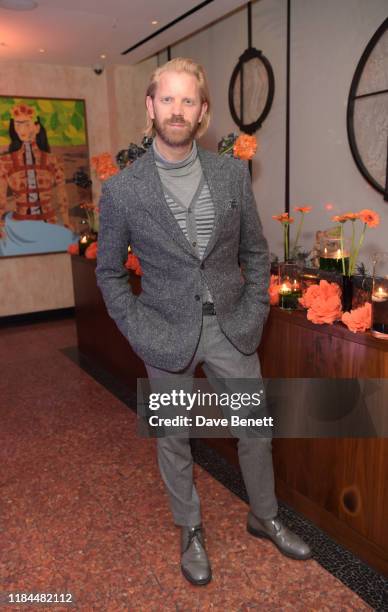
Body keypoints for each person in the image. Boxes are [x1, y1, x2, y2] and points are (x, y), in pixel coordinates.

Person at [96, 57, 311, 586]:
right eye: (166, 99)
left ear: (203, 112)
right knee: (173, 437)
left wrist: (255, 312)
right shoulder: (123, 190)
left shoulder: (231, 172)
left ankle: (264, 515)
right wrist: (139, 329)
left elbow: (257, 254)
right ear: (150, 107)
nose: (177, 109)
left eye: (187, 100)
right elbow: (108, 274)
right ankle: (189, 529)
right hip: (164, 332)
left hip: (232, 327)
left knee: (254, 431)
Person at [0, 103, 71, 241]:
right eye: (17, 125)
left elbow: (62, 194)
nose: (21, 130)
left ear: (37, 127)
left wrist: (67, 222)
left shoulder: (54, 160)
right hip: (19, 228)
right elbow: (0, 198)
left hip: (49, 225)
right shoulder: (5, 162)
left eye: (26, 124)